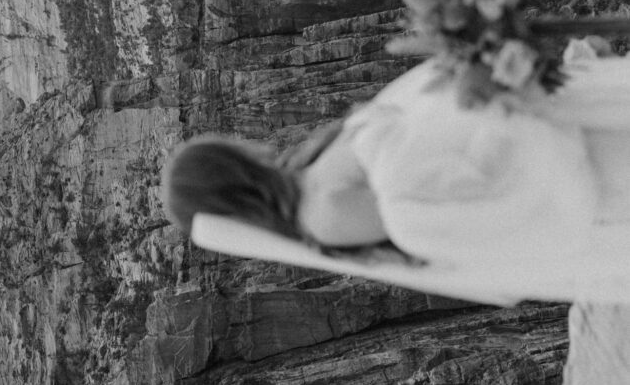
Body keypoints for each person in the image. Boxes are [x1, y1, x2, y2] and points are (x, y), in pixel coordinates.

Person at [161, 39, 630, 304]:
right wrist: (509, 108)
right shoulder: (325, 214)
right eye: (222, 147)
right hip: (541, 161)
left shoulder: (308, 168)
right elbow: (445, 204)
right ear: (229, 174)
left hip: (535, 124)